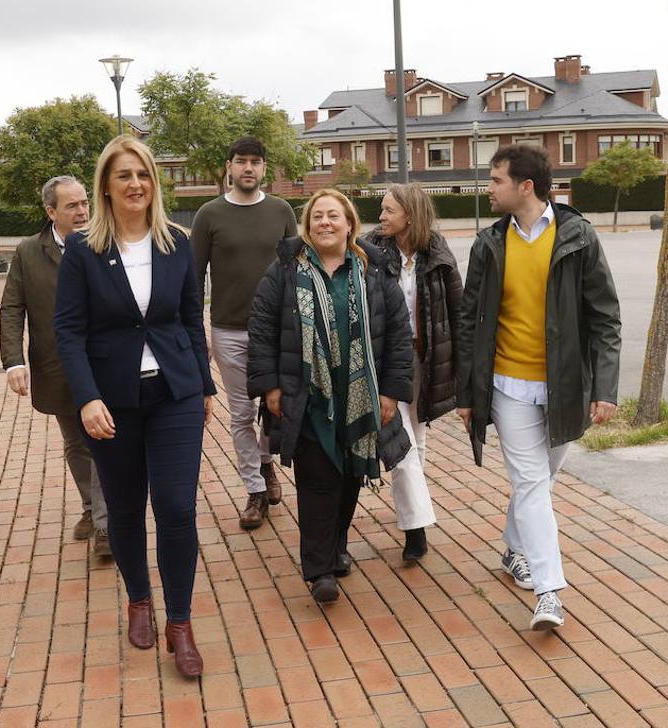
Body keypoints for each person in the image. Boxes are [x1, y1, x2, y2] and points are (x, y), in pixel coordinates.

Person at [54, 135, 216, 678]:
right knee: (124, 510)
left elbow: (191, 318)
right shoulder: (83, 249)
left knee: (176, 508)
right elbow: (69, 331)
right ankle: (139, 599)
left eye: (143, 174)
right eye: (124, 175)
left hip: (176, 393)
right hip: (112, 400)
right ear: (106, 185)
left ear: (154, 182)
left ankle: (181, 623)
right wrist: (87, 398)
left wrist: (205, 388)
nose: (135, 184)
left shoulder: (177, 242)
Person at [455, 145, 621, 631]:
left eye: (496, 180)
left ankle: (513, 550)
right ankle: (550, 592)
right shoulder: (489, 244)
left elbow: (605, 317)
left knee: (540, 483)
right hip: (508, 385)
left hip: (565, 387)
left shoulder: (577, 237)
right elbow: (470, 323)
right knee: (530, 484)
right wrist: (468, 394)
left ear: (525, 186)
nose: (489, 188)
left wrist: (605, 387)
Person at [248, 189, 412, 603]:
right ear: (307, 226)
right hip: (308, 395)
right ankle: (319, 568)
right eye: (317, 216)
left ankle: (337, 546)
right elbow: (263, 329)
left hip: (360, 396)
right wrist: (269, 385)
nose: (325, 223)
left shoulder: (373, 271)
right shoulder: (285, 272)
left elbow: (397, 335)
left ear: (350, 224)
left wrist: (392, 390)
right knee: (317, 478)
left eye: (333, 216)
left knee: (350, 473)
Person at [0, 175, 111, 559]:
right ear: (51, 212)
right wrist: (13, 361)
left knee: (102, 440)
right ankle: (90, 507)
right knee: (76, 443)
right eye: (72, 206)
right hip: (56, 365)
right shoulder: (29, 252)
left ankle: (104, 524)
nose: (82, 212)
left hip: (104, 364)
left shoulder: (105, 241)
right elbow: (12, 307)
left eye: (85, 203)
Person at [191, 136, 297, 530]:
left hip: (275, 331)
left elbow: (295, 270)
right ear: (229, 166)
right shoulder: (209, 215)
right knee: (240, 413)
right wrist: (195, 333)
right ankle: (254, 489)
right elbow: (194, 277)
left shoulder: (281, 210)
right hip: (228, 330)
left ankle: (267, 465)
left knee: (273, 407)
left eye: (255, 161)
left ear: (264, 168)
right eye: (241, 161)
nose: (248, 168)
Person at [365, 183, 462, 562]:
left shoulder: (436, 250)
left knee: (416, 439)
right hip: (387, 361)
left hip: (427, 359)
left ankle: (409, 514)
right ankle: (417, 528)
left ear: (411, 215)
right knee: (399, 439)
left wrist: (462, 365)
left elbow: (458, 309)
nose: (382, 216)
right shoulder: (369, 249)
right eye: (382, 209)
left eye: (389, 210)